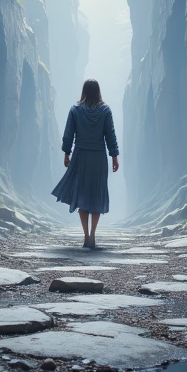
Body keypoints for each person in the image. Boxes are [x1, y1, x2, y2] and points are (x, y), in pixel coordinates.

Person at [50, 78, 119, 249]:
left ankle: (86, 235)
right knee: (96, 194)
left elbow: (68, 133)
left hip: (80, 156)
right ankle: (93, 233)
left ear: (84, 91)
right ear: (98, 91)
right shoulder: (105, 111)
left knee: (82, 194)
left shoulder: (75, 110)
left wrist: (67, 153)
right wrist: (114, 156)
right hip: (98, 158)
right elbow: (110, 135)